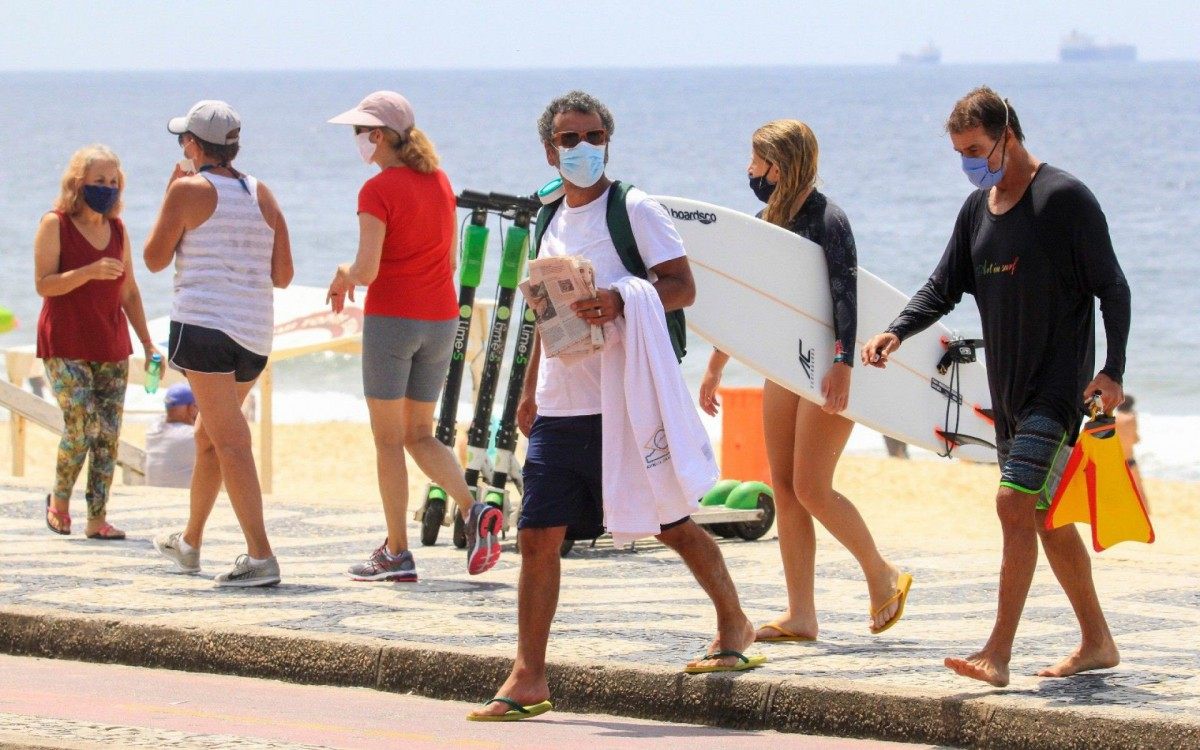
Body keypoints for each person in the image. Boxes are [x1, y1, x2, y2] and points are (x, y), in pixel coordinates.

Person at [469, 91, 761, 722]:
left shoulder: (636, 209)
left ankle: (735, 624)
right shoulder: (549, 220)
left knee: (668, 523)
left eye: (595, 136)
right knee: (537, 534)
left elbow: (682, 286)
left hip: (623, 398)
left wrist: (625, 298)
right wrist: (527, 391)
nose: (584, 148)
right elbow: (543, 310)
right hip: (560, 401)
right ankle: (528, 676)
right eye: (570, 139)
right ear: (550, 149)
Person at [862, 86, 1130, 687]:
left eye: (977, 149)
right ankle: (1098, 640)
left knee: (1012, 504)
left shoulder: (1063, 200)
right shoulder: (978, 211)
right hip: (1007, 395)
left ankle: (997, 652)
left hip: (1057, 392)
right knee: (1044, 518)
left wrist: (1113, 370)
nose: (969, 162)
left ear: (1007, 136)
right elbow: (943, 285)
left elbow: (1113, 286)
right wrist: (896, 331)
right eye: (960, 151)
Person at [699, 120, 911, 643]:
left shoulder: (828, 220)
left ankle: (881, 572)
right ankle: (801, 615)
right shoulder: (764, 224)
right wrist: (716, 364)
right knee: (788, 491)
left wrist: (843, 364)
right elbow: (748, 303)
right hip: (782, 366)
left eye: (757, 161)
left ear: (783, 164)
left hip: (827, 368)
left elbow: (846, 298)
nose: (750, 171)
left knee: (814, 487)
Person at [325, 91, 503, 581]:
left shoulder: (377, 191)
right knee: (420, 434)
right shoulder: (440, 182)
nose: (357, 141)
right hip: (441, 319)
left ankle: (397, 553)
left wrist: (342, 273)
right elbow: (448, 262)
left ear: (377, 136)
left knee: (388, 441)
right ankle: (473, 509)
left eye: (359, 133)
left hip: (393, 322)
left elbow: (366, 268)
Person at [145, 100, 294, 587]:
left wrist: (171, 194)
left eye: (182, 140)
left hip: (205, 328)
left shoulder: (187, 189)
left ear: (193, 144)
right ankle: (190, 542)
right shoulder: (261, 192)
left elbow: (153, 259)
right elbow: (284, 275)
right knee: (208, 437)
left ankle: (261, 556)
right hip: (253, 335)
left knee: (229, 441)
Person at [34, 144, 158, 540]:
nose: (107, 188)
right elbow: (44, 285)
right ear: (78, 183)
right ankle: (59, 501)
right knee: (82, 426)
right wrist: (87, 271)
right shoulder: (55, 224)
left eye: (113, 182)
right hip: (65, 341)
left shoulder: (118, 230)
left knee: (108, 433)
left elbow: (130, 293)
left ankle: (97, 518)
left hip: (110, 342)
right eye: (99, 181)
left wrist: (148, 342)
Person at [145, 383, 199, 489]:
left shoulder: (153, 430)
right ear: (191, 407)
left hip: (153, 496)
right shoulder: (190, 436)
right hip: (182, 500)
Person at [1114, 395, 1147, 509]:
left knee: (1116, 491)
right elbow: (1136, 439)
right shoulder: (1132, 418)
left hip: (1116, 460)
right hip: (1129, 459)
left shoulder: (1114, 419)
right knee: (1139, 491)